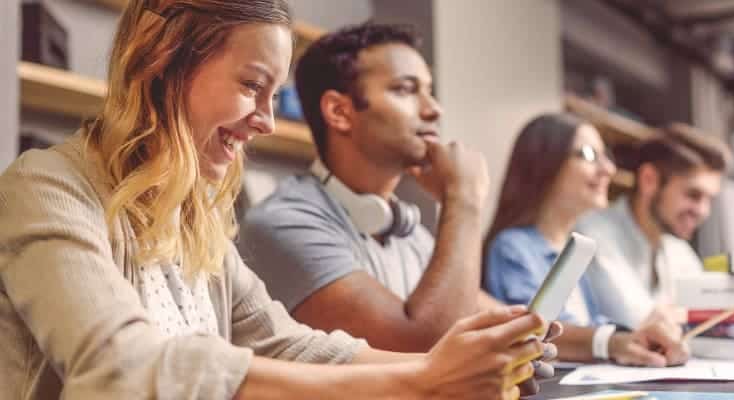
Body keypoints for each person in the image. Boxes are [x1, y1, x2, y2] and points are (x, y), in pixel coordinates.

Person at [0, 2, 546, 399]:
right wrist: (423, 381)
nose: (264, 119)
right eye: (251, 85)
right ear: (164, 58)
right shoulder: (45, 188)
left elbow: (284, 341)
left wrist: (454, 366)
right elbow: (122, 366)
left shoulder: (193, 217)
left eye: (272, 94)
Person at [240, 21, 559, 392]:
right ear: (339, 111)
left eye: (429, 91)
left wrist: (608, 342)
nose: (434, 109)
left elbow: (496, 319)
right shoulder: (283, 223)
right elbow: (427, 351)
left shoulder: (404, 227)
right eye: (406, 90)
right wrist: (463, 197)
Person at [483, 113, 690, 367]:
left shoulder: (573, 248)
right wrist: (612, 342)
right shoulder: (513, 248)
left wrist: (636, 338)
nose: (608, 169)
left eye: (607, 157)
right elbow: (535, 333)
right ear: (546, 164)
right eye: (590, 155)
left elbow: (589, 325)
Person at [577, 123, 733, 329]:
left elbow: (718, 320)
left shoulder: (679, 251)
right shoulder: (593, 234)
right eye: (693, 195)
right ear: (649, 179)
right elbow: (642, 325)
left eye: (709, 199)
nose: (703, 211)